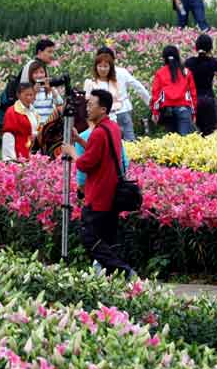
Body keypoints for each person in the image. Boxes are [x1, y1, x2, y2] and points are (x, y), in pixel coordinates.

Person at [60, 90, 135, 279]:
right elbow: (98, 152)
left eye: (91, 105)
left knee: (89, 238)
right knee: (108, 238)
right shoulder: (112, 128)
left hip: (99, 195)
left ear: (102, 109)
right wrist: (79, 140)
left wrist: (72, 151)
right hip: (112, 193)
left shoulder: (99, 133)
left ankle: (123, 270)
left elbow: (86, 163)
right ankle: (115, 274)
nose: (87, 108)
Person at [83, 48, 151, 141]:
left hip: (109, 113)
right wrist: (148, 101)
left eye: (106, 65)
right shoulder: (120, 72)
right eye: (100, 65)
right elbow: (138, 86)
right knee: (128, 140)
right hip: (122, 110)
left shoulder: (108, 78)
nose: (103, 68)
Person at [1, 39, 56, 116]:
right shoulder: (30, 66)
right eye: (49, 52)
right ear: (40, 52)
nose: (52, 55)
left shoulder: (42, 66)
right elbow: (24, 94)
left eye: (53, 52)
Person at [151, 45, 197, 135]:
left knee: (171, 142)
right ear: (177, 56)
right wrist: (194, 113)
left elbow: (156, 95)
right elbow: (193, 95)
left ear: (164, 58)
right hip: (184, 109)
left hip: (168, 111)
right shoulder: (186, 72)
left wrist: (155, 112)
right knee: (184, 142)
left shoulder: (160, 73)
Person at [184, 34, 217, 136]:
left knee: (196, 133)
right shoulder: (212, 62)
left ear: (196, 47)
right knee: (210, 133)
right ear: (210, 48)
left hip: (194, 100)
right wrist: (208, 56)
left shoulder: (189, 62)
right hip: (208, 97)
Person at [2, 83, 39, 161]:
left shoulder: (34, 111)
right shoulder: (12, 112)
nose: (29, 97)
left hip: (32, 152)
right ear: (18, 95)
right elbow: (8, 135)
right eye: (26, 95)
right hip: (18, 153)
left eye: (31, 95)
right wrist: (10, 159)